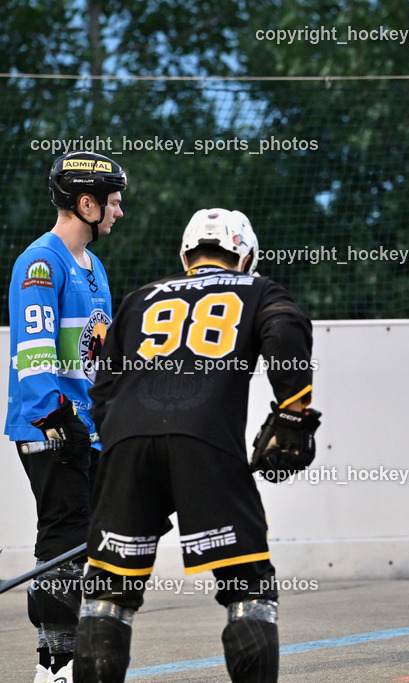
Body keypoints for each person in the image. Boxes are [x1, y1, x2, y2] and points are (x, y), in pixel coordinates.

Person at [72, 209, 321, 683]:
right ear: (245, 255)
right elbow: (285, 330)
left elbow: (102, 390)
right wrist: (294, 413)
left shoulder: (140, 298)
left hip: (126, 444)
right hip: (206, 443)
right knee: (247, 588)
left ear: (186, 254)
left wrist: (136, 470)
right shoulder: (259, 289)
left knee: (107, 594)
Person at [5, 151, 126, 683]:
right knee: (63, 536)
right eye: (114, 202)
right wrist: (57, 419)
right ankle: (52, 667)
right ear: (86, 203)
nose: (119, 212)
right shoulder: (40, 263)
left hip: (89, 428)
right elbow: (33, 351)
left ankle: (78, 654)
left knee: (91, 541)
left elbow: (97, 353)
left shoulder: (93, 266)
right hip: (51, 429)